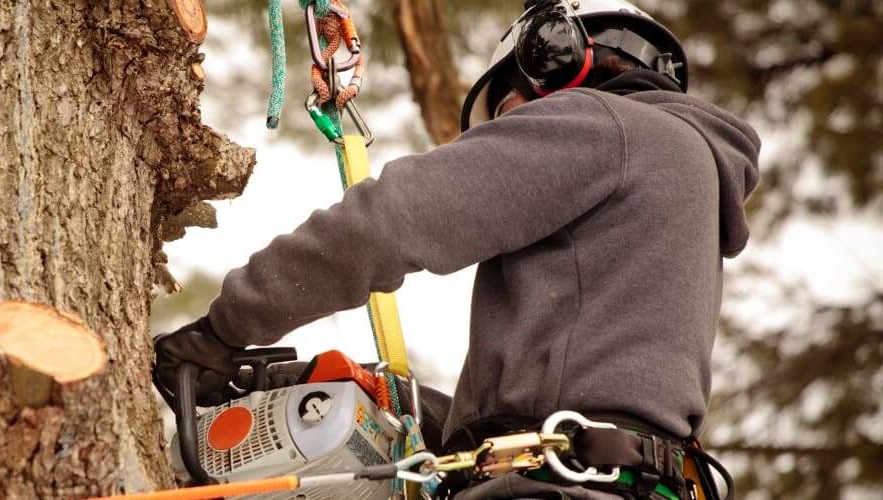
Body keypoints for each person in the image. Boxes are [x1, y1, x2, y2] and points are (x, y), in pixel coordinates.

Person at [153, 0, 759, 497]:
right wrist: (395, 402)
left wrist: (223, 329)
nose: (508, 132)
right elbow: (577, 403)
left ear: (557, 60)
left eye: (508, 111)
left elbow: (390, 221)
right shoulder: (682, 180)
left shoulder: (604, 126)